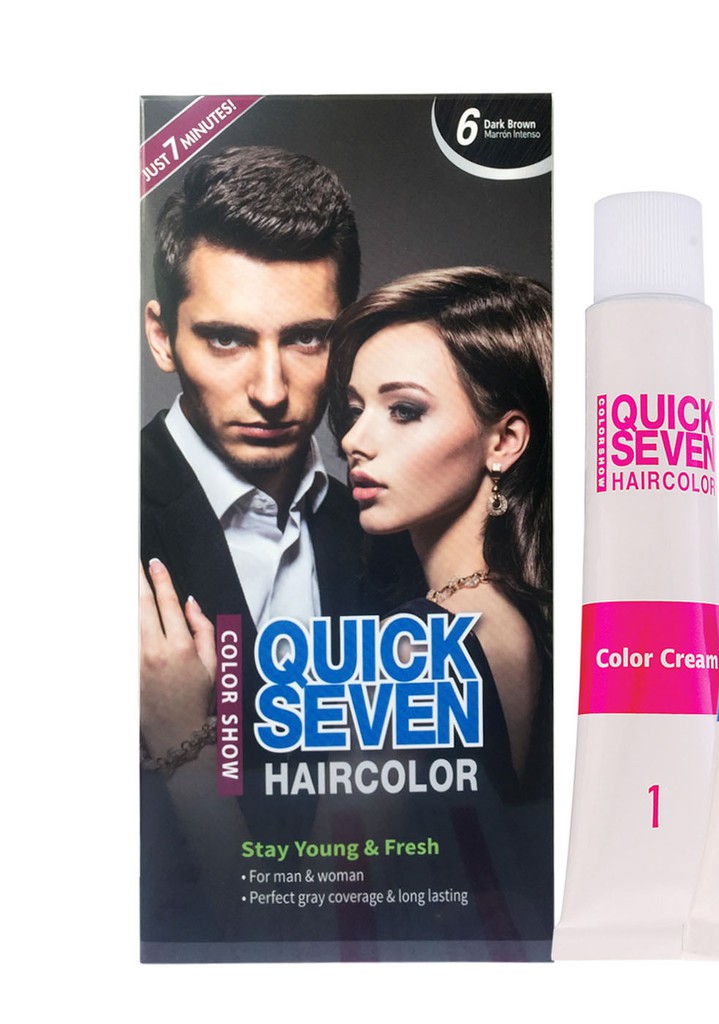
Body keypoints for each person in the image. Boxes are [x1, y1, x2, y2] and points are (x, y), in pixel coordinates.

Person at [139, 146, 369, 944]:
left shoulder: (390, 536)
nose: (270, 391)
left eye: (307, 340)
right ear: (162, 336)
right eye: (227, 340)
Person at [327, 266, 553, 796]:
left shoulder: (413, 647)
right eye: (356, 410)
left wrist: (183, 740)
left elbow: (339, 854)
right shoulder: (526, 616)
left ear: (504, 441)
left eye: (404, 410)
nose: (353, 440)